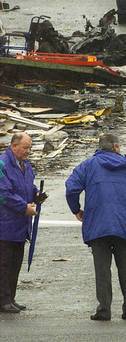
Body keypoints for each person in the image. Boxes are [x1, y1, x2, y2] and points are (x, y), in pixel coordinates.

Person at [65, 134, 126, 321]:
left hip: (98, 225)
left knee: (102, 269)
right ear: (116, 146)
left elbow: (71, 188)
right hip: (124, 224)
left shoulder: (88, 165)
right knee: (125, 267)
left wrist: (77, 210)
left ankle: (104, 310)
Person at [0, 133, 45, 314]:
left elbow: (28, 185)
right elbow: (4, 194)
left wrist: (36, 195)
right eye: (25, 148)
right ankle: (3, 300)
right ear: (14, 146)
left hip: (20, 224)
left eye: (29, 148)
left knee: (15, 262)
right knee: (3, 264)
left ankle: (10, 297)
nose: (28, 151)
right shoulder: (2, 165)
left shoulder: (25, 164)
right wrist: (23, 207)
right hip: (5, 223)